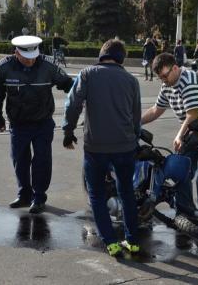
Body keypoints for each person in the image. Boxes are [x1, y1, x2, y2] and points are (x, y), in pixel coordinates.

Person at [62, 39, 141, 257]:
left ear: (101, 54)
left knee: (96, 194)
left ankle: (111, 242)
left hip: (96, 147)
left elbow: (73, 104)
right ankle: (133, 241)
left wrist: (68, 132)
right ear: (121, 58)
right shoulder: (131, 80)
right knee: (127, 192)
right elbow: (136, 118)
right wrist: (134, 141)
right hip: (125, 147)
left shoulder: (88, 74)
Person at [141, 52, 198, 217]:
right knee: (179, 170)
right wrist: (136, 123)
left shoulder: (188, 82)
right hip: (193, 132)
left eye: (165, 76)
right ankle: (187, 213)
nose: (164, 81)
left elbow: (192, 115)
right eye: (161, 78)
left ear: (175, 68)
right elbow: (156, 110)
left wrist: (179, 136)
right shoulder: (167, 85)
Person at [0, 35, 73, 214]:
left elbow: (68, 85)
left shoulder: (48, 66)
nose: (30, 61)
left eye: (33, 56)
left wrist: (84, 96)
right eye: (26, 58)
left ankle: (39, 197)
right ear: (16, 53)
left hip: (43, 123)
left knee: (42, 160)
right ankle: (24, 194)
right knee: (19, 160)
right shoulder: (5, 69)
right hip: (18, 124)